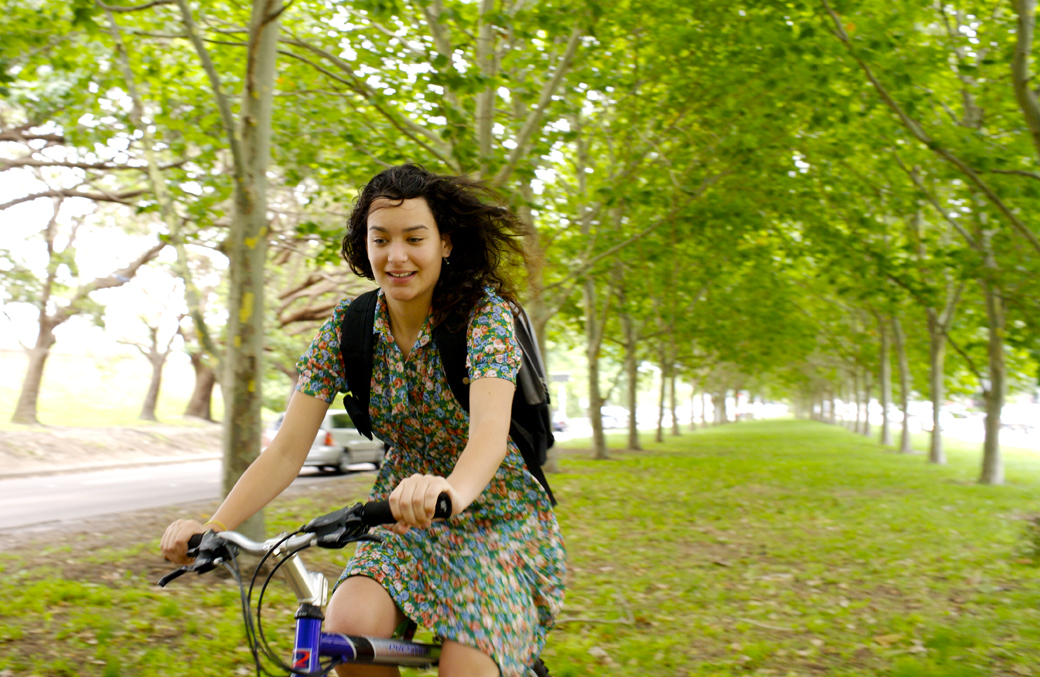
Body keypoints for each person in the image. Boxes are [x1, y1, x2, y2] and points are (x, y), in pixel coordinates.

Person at [160, 164, 566, 677]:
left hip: (497, 522)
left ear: (444, 242)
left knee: (465, 668)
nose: (396, 256)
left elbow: (489, 433)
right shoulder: (347, 329)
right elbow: (285, 451)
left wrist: (451, 491)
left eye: (414, 238)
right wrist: (214, 528)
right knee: (344, 631)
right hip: (399, 519)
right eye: (381, 239)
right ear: (365, 244)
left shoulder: (484, 317)